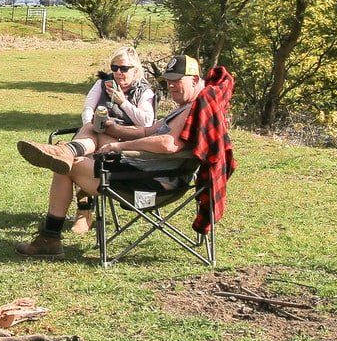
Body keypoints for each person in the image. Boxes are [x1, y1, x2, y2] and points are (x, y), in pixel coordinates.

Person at [14, 54, 209, 257]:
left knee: (65, 167)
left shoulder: (193, 109)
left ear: (194, 80)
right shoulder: (187, 108)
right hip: (148, 174)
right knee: (88, 135)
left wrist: (120, 146)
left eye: (176, 81)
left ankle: (50, 238)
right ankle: (66, 153)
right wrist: (114, 128)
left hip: (147, 182)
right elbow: (145, 131)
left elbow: (168, 144)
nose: (171, 86)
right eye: (168, 81)